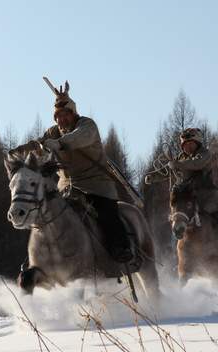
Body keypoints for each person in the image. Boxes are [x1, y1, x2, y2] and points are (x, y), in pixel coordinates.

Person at [11, 80, 132, 263]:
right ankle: (37, 259)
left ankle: (120, 248)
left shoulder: (87, 125)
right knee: (43, 216)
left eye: (65, 114)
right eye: (58, 116)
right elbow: (40, 145)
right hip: (67, 188)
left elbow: (79, 138)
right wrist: (23, 150)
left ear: (73, 113)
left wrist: (60, 143)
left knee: (107, 214)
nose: (61, 119)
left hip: (96, 185)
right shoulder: (53, 132)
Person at [168, 127, 218, 251]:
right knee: (177, 223)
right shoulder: (181, 158)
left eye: (190, 144)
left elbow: (196, 164)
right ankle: (177, 257)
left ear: (197, 143)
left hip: (209, 199)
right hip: (191, 200)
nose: (188, 147)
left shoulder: (205, 154)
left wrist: (177, 164)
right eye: (185, 144)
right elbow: (168, 169)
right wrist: (153, 176)